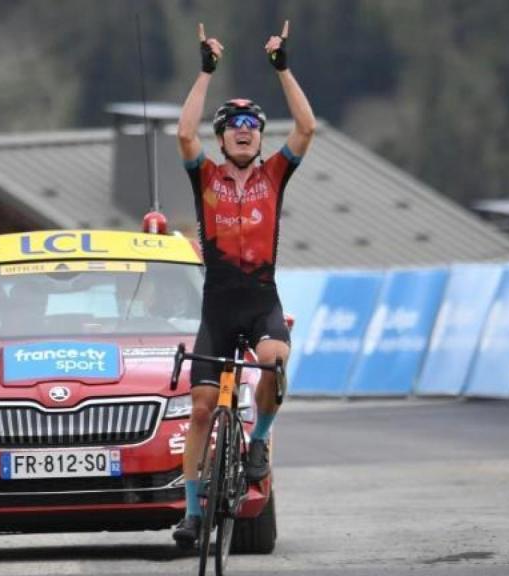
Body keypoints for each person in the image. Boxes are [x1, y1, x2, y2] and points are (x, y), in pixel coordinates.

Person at [172, 20, 315, 547]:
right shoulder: (204, 175)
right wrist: (204, 72)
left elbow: (306, 127)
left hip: (260, 298)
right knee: (204, 409)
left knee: (275, 362)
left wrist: (283, 69)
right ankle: (190, 513)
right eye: (233, 123)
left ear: (259, 135)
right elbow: (183, 133)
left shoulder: (274, 174)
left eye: (252, 123)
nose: (243, 127)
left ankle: (258, 440)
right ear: (222, 135)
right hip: (218, 303)